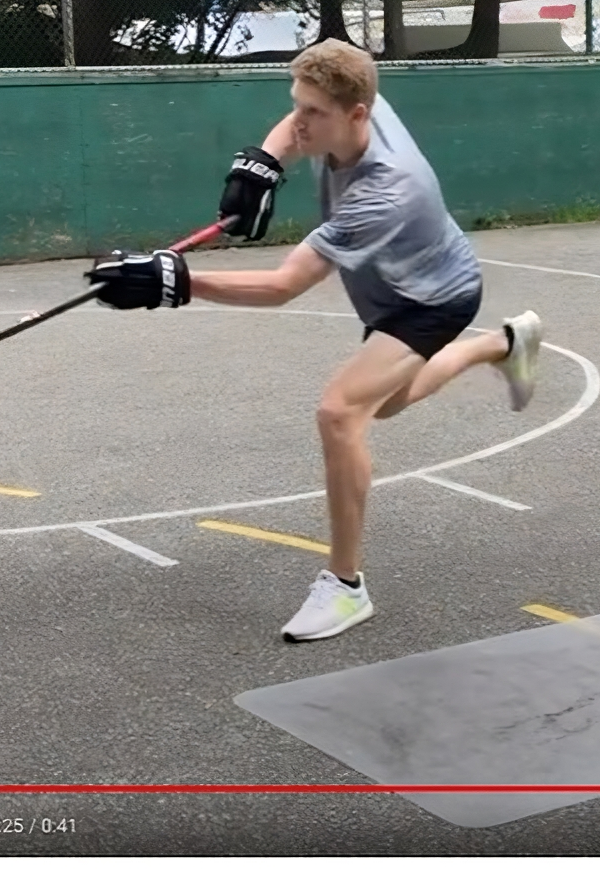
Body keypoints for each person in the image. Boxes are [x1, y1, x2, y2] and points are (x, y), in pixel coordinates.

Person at [84, 39, 547, 643]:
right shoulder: (357, 101)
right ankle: (505, 344)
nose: (299, 123)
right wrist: (263, 162)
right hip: (393, 286)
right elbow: (301, 121)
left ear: (357, 115)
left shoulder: (386, 190)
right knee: (390, 402)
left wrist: (173, 281)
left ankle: (346, 587)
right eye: (294, 107)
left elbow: (284, 285)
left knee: (340, 412)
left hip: (433, 298)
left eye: (313, 114)